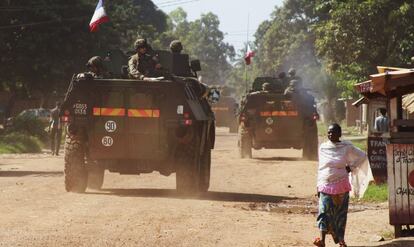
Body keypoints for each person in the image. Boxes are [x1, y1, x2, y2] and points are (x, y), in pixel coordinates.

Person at [314, 123, 371, 247]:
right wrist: (318, 185)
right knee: (323, 211)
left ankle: (341, 240)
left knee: (340, 215)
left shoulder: (346, 147)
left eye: (333, 132)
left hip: (341, 185)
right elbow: (321, 168)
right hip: (325, 184)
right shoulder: (323, 147)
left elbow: (362, 156)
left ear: (339, 134)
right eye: (329, 132)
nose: (330, 134)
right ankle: (322, 240)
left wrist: (351, 167)